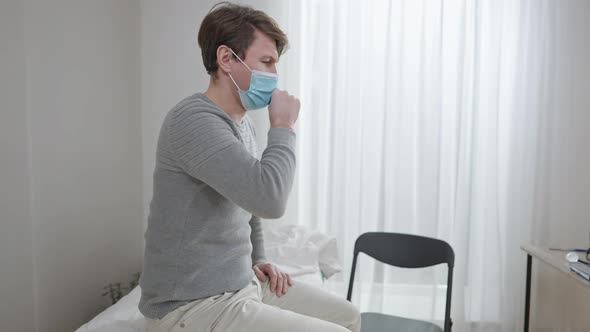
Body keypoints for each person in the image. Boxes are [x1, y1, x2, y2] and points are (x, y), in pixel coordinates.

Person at [138, 2, 361, 331]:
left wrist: (258, 260)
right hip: (191, 305)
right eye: (267, 62)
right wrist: (283, 127)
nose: (274, 75)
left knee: (348, 316)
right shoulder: (193, 120)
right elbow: (268, 200)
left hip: (239, 286)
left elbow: (248, 207)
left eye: (276, 65)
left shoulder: (241, 124)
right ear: (226, 59)